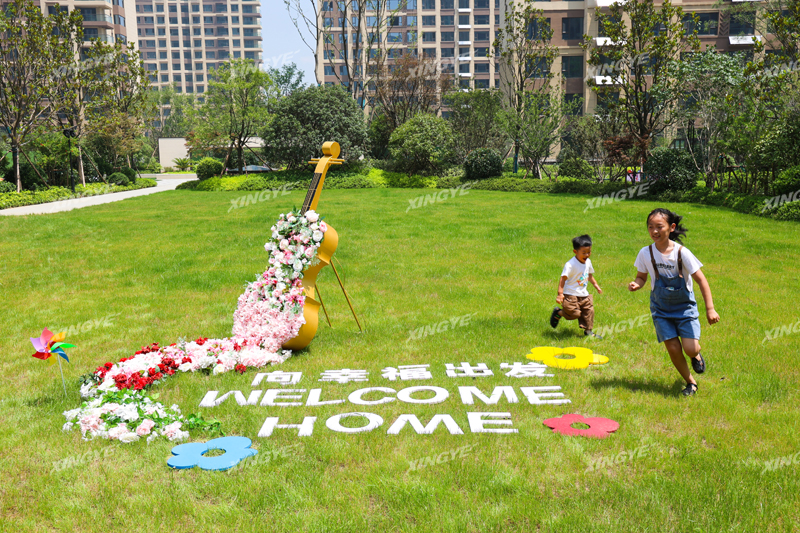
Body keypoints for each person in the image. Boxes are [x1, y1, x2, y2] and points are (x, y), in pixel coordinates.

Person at [628, 208, 720, 397]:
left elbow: (701, 280)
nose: (654, 231)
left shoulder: (681, 253)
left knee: (690, 348)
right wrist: (637, 284)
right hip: (661, 309)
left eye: (659, 227)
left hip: (685, 308)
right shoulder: (645, 253)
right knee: (673, 347)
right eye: (650, 227)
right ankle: (691, 383)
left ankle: (695, 355)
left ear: (671, 227)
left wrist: (710, 309)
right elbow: (641, 277)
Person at [550, 234, 603, 338]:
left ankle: (588, 332)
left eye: (589, 252)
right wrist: (560, 294)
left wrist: (596, 285)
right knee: (575, 314)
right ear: (575, 251)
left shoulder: (588, 262)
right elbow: (562, 279)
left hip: (584, 294)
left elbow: (589, 275)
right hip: (570, 294)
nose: (587, 255)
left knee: (589, 311)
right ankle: (558, 313)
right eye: (584, 252)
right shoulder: (570, 264)